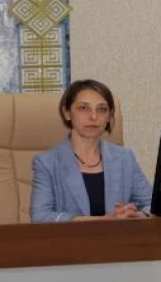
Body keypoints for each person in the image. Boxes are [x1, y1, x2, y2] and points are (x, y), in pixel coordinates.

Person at [30, 79, 151, 223]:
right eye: (84, 108)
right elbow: (40, 217)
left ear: (109, 116)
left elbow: (152, 205)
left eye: (102, 109)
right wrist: (104, 221)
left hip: (119, 237)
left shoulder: (125, 158)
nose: (94, 117)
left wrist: (139, 215)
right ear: (67, 113)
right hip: (71, 237)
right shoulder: (47, 163)